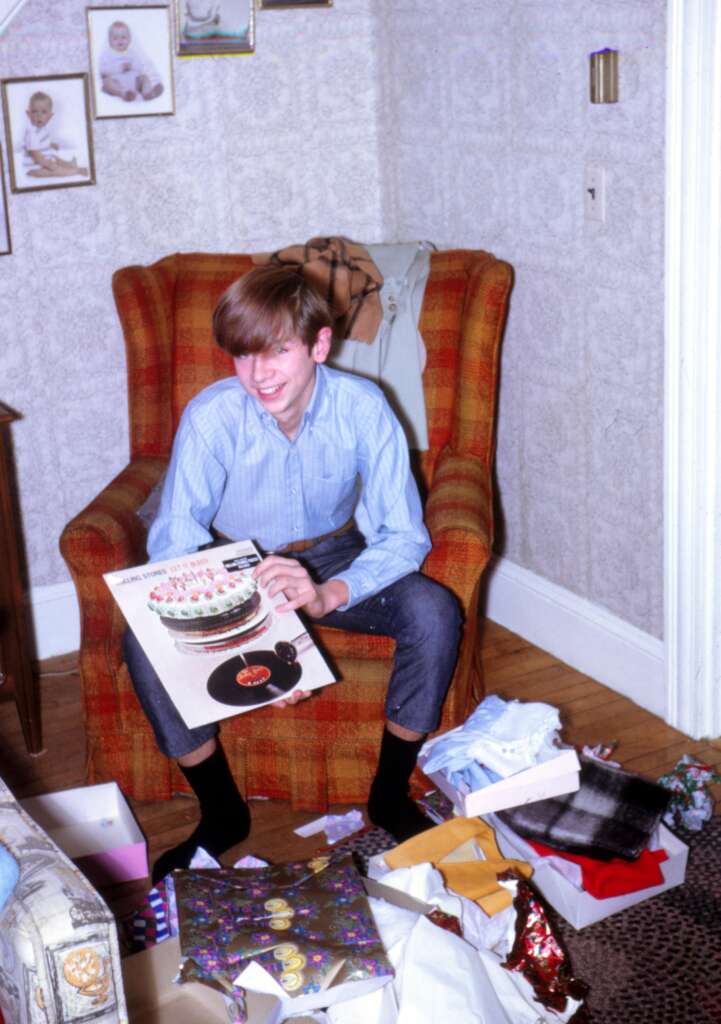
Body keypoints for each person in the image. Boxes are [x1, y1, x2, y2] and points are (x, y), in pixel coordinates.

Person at [123, 266, 462, 883]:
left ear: (319, 345)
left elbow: (404, 536)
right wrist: (257, 638)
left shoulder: (364, 408)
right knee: (142, 637)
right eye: (244, 355)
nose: (259, 375)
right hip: (229, 563)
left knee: (435, 612)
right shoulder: (210, 416)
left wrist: (331, 593)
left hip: (334, 554)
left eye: (278, 349)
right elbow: (176, 544)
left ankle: (388, 793)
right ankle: (221, 810)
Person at [23, 92, 89, 179]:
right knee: (54, 171)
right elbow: (35, 154)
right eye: (35, 112)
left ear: (50, 116)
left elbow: (40, 143)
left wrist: (50, 145)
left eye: (43, 112)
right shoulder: (32, 133)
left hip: (45, 159)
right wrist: (48, 164)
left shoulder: (42, 129)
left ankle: (69, 164)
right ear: (28, 114)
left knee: (56, 159)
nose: (39, 115)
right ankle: (75, 171)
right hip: (35, 166)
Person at [99, 21, 163, 103]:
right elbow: (103, 72)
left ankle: (147, 92)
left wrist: (132, 66)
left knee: (144, 77)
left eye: (123, 37)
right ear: (109, 41)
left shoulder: (133, 53)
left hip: (134, 82)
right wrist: (118, 68)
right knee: (107, 83)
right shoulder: (107, 54)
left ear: (129, 39)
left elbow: (140, 67)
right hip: (117, 82)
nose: (120, 40)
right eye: (115, 38)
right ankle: (123, 93)